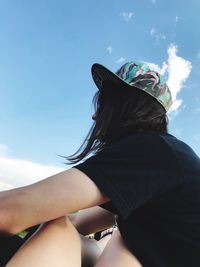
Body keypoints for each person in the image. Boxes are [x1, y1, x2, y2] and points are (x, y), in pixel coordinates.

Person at [0, 61, 200, 267]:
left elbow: (8, 212)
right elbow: (80, 222)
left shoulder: (153, 150)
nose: (95, 116)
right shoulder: (163, 165)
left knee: (56, 225)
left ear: (126, 106)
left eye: (103, 104)